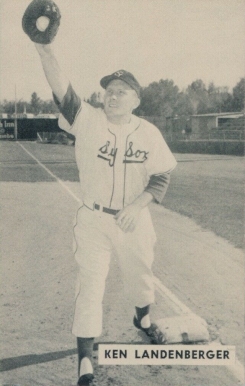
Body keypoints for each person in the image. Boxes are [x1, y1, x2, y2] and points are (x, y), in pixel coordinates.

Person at [34, 42, 177, 386]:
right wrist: (45, 49)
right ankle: (85, 360)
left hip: (134, 220)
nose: (112, 97)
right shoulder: (86, 120)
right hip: (93, 220)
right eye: (108, 91)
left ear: (136, 100)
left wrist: (137, 205)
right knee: (90, 287)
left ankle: (142, 318)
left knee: (141, 281)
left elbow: (161, 176)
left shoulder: (149, 133)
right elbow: (62, 90)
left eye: (121, 92)